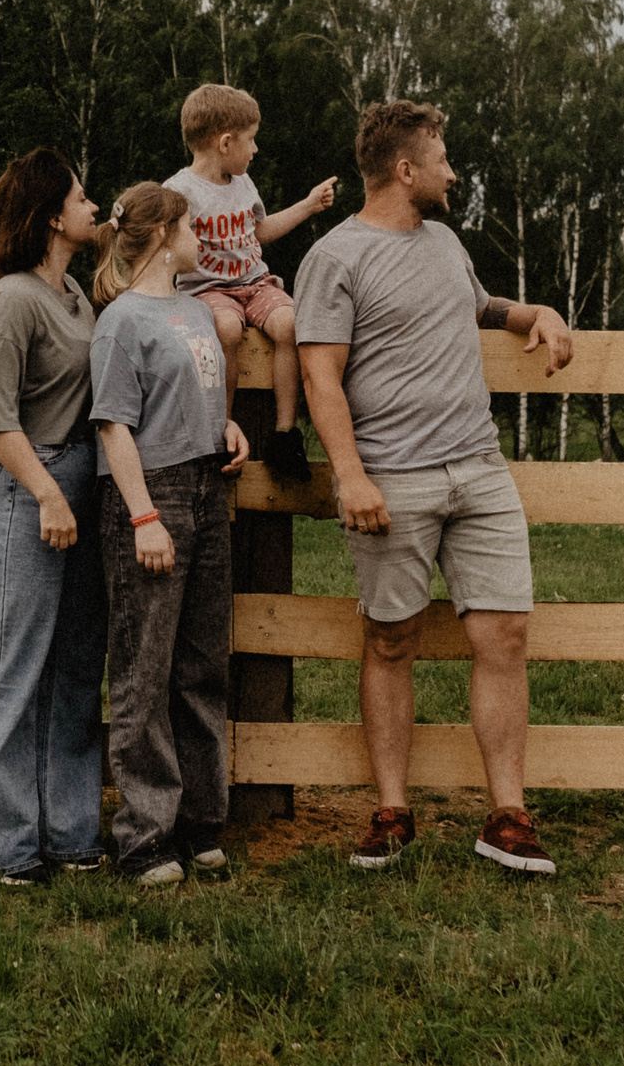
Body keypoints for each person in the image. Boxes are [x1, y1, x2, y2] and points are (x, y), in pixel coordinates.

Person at [293, 100, 573, 877]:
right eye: (443, 158)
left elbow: (474, 305)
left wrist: (534, 311)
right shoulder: (334, 258)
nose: (454, 171)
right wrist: (349, 473)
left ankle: (508, 816)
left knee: (504, 635)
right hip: (392, 479)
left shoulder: (446, 241)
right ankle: (392, 810)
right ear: (406, 169)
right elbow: (321, 374)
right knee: (390, 639)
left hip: (479, 469)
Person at [0, 148, 111, 886]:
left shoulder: (75, 292)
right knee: (16, 665)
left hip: (83, 482)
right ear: (52, 215)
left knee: (77, 664)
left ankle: (71, 830)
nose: (92, 205)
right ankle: (4, 844)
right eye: (81, 197)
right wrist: (47, 492)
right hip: (31, 489)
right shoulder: (15, 298)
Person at [88, 181, 252, 885]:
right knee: (143, 667)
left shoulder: (191, 309)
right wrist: (144, 515)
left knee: (202, 663)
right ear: (161, 234)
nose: (202, 239)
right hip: (153, 495)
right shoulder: (122, 321)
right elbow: (113, 423)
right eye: (191, 227)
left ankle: (200, 822)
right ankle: (145, 836)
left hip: (208, 489)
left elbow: (192, 391)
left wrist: (226, 424)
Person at [161, 83, 336, 483]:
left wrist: (308, 205)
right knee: (225, 329)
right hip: (207, 289)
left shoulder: (242, 184)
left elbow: (259, 231)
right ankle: (219, 426)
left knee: (292, 324)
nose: (255, 150)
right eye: (251, 140)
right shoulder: (179, 191)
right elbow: (160, 242)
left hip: (255, 283)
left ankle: (284, 433)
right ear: (225, 142)